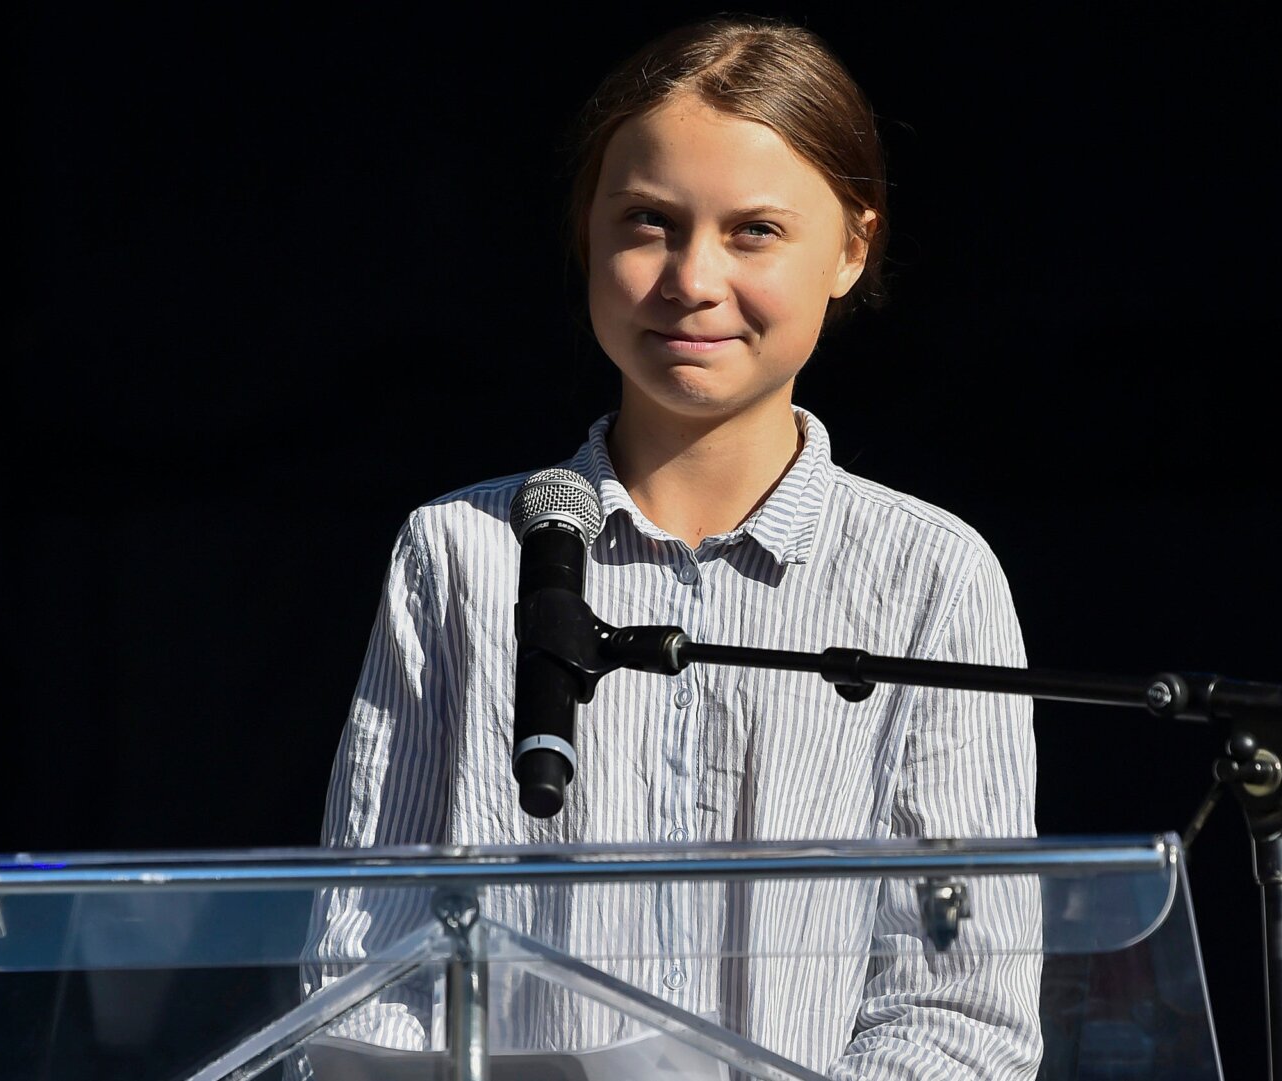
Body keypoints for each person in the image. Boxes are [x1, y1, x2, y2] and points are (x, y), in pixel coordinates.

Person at [308, 14, 1040, 1079]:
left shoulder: (931, 575)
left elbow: (961, 1006)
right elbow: (365, 970)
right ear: (586, 231)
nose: (692, 278)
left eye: (754, 232)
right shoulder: (459, 554)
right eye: (649, 222)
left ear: (851, 247)